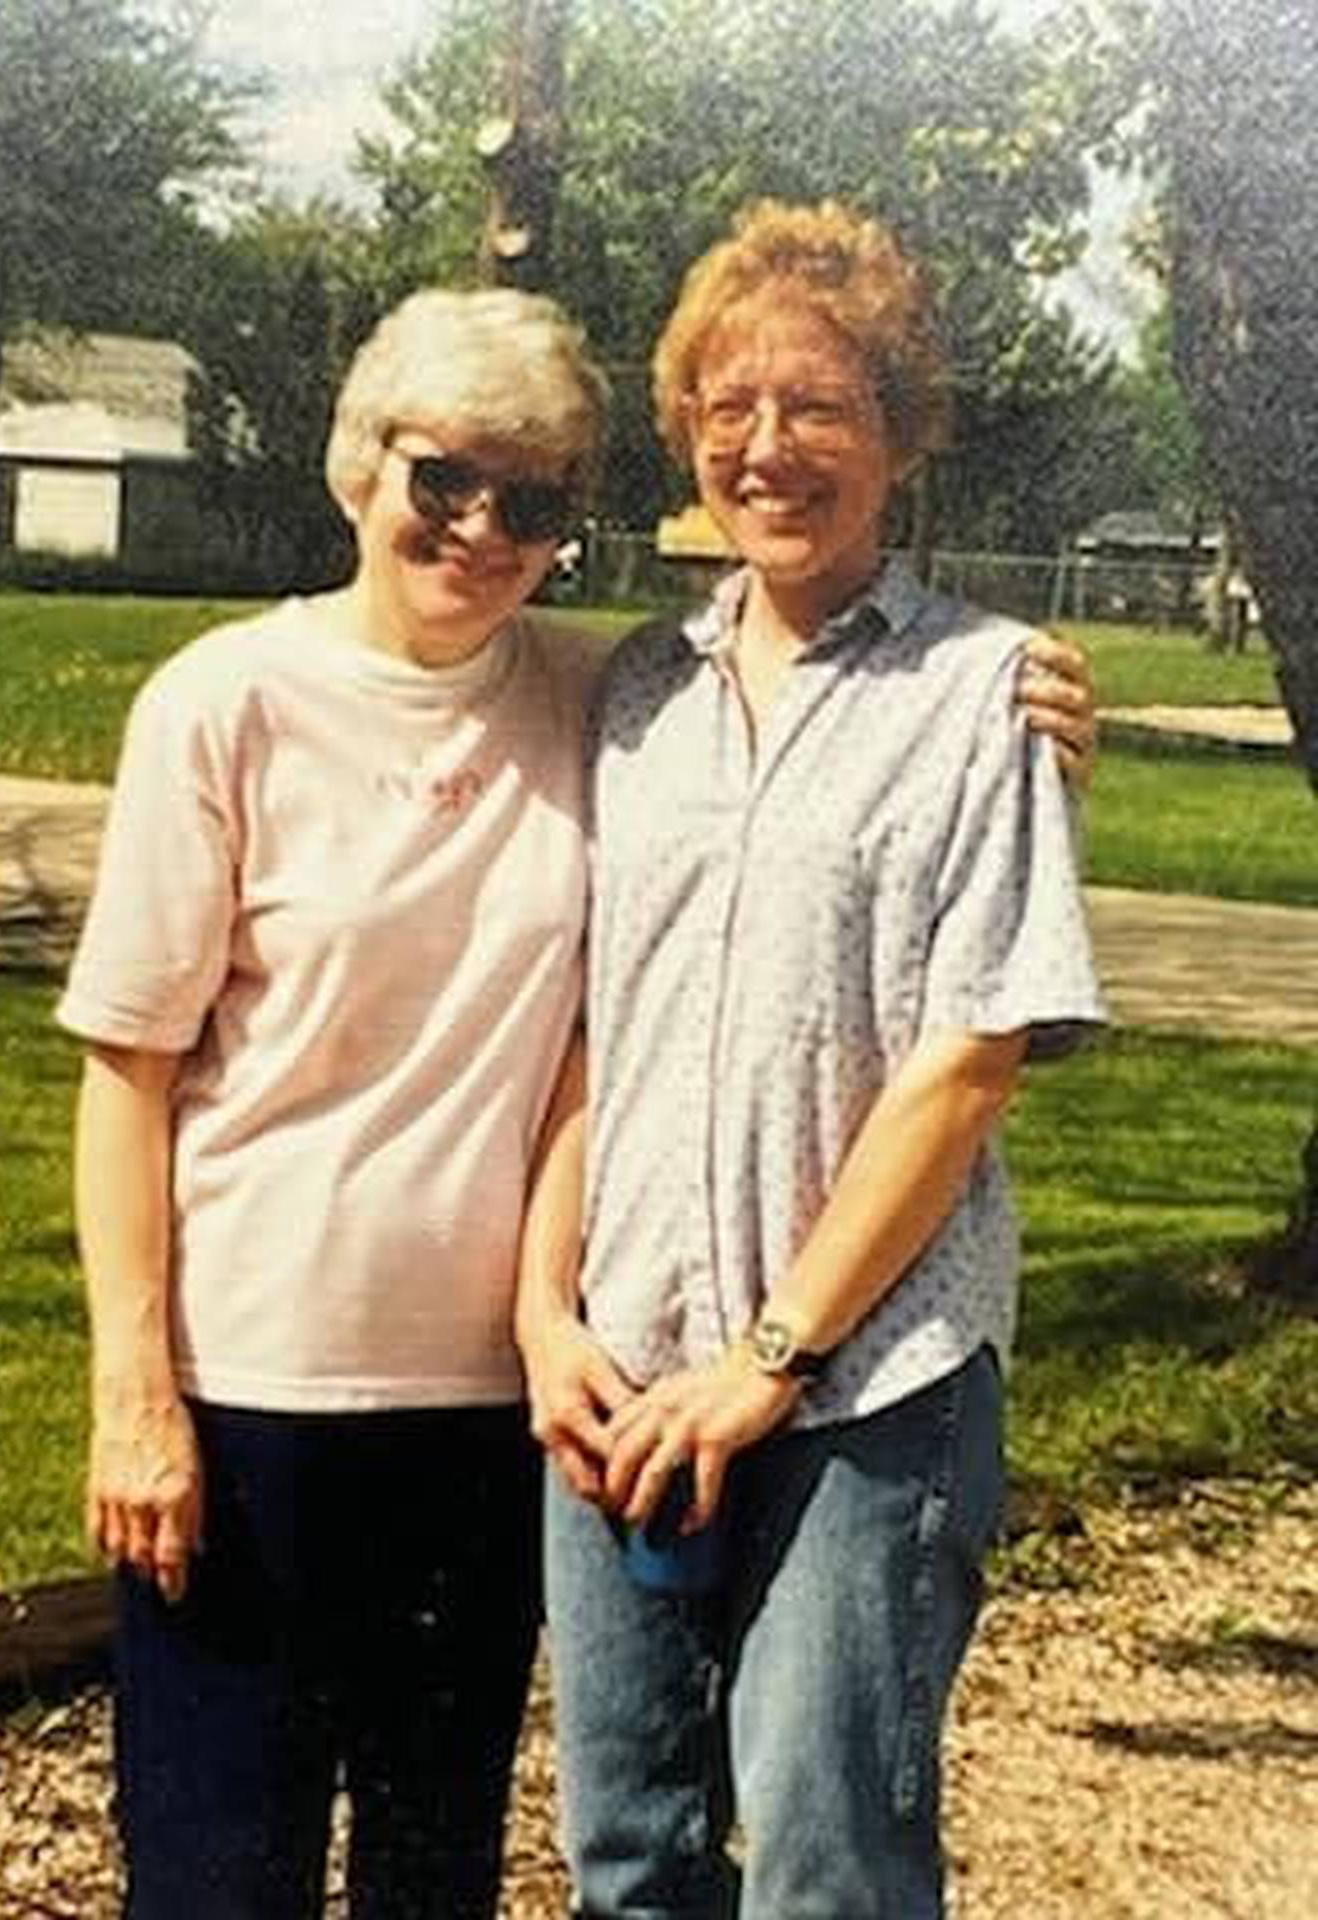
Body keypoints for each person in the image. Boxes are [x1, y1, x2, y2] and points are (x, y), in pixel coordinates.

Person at [519, 198, 1106, 1919]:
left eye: (820, 407)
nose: (766, 448)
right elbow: (592, 1034)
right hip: (625, 1367)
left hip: (865, 1395)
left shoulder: (985, 692)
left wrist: (776, 1357)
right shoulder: (634, 692)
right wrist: (547, 1317)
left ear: (902, 438)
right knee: (625, 1854)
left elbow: (969, 1060)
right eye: (728, 408)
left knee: (830, 1864)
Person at [57, 285, 607, 1918]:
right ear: (361, 467)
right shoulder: (224, 703)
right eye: (446, 478)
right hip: (249, 1393)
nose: (483, 529)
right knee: (223, 1874)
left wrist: (1024, 706)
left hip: (486, 1407)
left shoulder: (596, 703)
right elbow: (126, 1072)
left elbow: (821, 685)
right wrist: (133, 1393)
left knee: (434, 1872)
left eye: (536, 499)